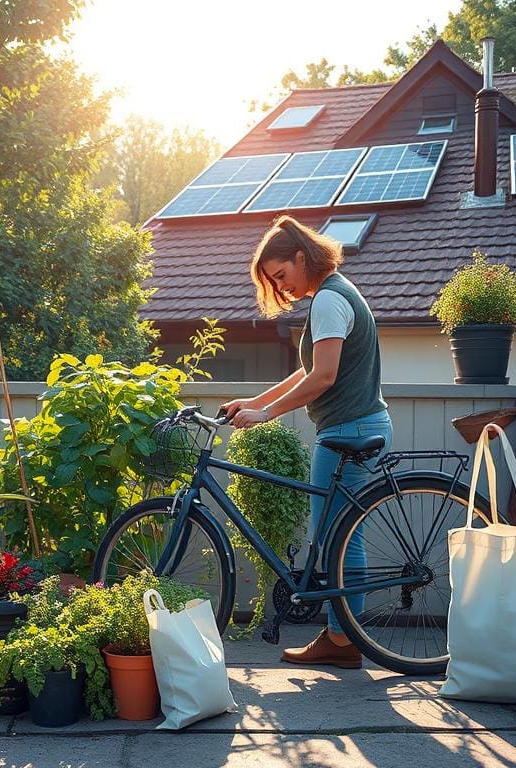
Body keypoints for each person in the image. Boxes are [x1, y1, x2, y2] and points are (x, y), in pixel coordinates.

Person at [221, 215, 391, 670]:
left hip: (348, 431)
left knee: (340, 538)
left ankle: (342, 639)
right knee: (339, 534)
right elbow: (308, 370)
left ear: (302, 256)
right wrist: (255, 400)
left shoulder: (330, 301)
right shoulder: (334, 294)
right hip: (354, 426)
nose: (283, 288)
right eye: (274, 283)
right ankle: (341, 634)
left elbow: (324, 376)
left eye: (282, 275)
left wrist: (266, 414)